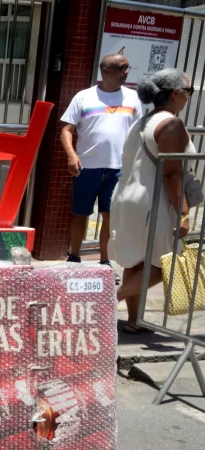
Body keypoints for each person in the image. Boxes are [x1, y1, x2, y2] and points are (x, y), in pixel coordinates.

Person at [110, 69, 196, 333]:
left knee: (136, 261)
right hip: (152, 202)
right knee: (167, 262)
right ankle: (109, 300)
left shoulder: (142, 121)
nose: (189, 98)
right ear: (176, 93)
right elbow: (172, 173)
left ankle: (134, 320)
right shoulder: (171, 125)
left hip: (127, 198)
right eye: (189, 92)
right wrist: (183, 214)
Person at [60, 53, 143, 272]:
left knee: (110, 217)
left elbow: (139, 133)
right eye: (122, 68)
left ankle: (105, 263)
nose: (127, 72)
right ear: (106, 70)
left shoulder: (133, 98)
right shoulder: (84, 97)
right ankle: (74, 259)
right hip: (86, 168)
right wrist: (71, 155)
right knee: (80, 214)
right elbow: (67, 129)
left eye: (127, 67)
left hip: (118, 169)